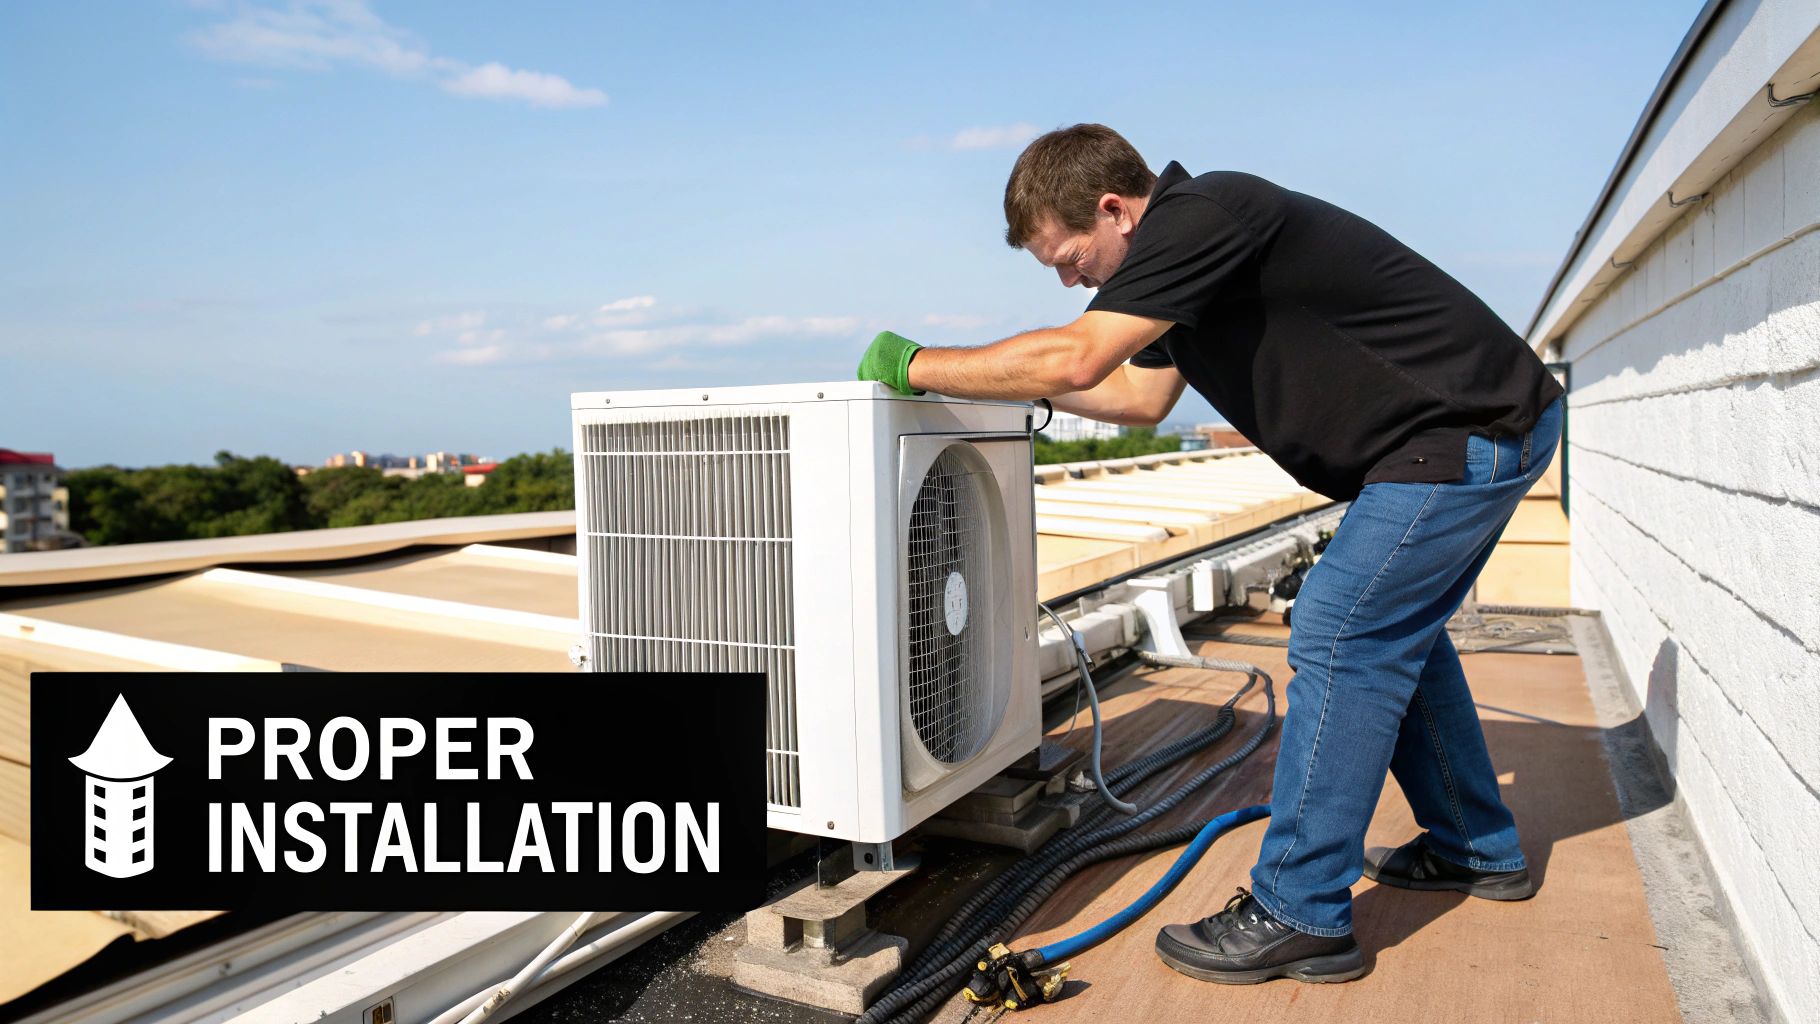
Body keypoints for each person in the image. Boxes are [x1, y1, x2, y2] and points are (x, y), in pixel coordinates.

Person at [857, 123, 1562, 985]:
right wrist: (1010, 382)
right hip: (1448, 438)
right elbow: (1141, 396)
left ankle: (1300, 910)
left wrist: (919, 364)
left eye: (1069, 256)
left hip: (1465, 430)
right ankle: (1474, 846)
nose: (1070, 278)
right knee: (1387, 635)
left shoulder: (1204, 215)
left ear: (1115, 209)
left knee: (1343, 630)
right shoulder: (1177, 266)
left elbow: (1079, 359)